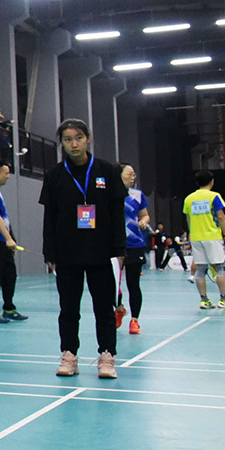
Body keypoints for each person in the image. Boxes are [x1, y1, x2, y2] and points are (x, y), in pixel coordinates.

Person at [40, 119, 127, 379]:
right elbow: (49, 218)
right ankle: (69, 355)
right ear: (62, 143)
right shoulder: (54, 175)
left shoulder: (107, 171)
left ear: (87, 139)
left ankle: (107, 355)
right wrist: (49, 253)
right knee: (68, 309)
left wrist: (120, 250)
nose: (74, 144)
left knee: (104, 308)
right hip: (67, 254)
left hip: (102, 252)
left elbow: (117, 214)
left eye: (78, 138)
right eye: (68, 139)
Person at [0, 161, 27, 324]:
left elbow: (4, 218)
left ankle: (9, 308)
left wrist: (10, 238)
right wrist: (8, 238)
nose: (8, 176)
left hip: (2, 241)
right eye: (6, 173)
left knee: (10, 275)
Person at [182, 170, 225, 309]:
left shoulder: (189, 199)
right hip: (212, 237)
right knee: (221, 267)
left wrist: (191, 235)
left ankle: (204, 300)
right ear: (212, 181)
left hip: (196, 237)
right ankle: (224, 299)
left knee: (201, 269)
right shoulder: (214, 196)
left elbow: (188, 219)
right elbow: (221, 217)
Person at [115, 163, 149, 335]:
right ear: (119, 175)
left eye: (134, 174)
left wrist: (144, 221)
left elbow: (145, 214)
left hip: (135, 244)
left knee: (133, 284)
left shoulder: (137, 195)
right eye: (129, 174)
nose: (133, 177)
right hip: (114, 245)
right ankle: (119, 308)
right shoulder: (109, 194)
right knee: (113, 284)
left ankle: (134, 320)